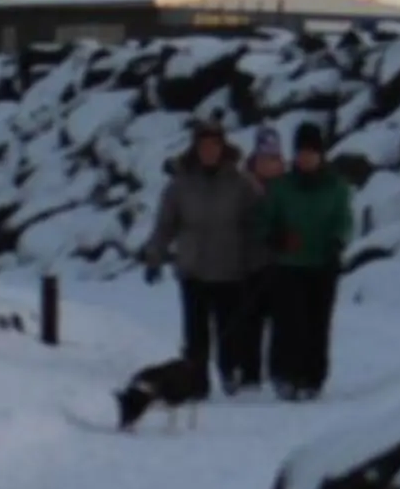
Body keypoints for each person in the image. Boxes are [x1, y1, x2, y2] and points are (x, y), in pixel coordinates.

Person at [141, 115, 259, 397]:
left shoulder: (241, 184)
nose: (209, 151)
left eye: (214, 145)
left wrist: (259, 263)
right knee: (195, 334)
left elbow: (256, 224)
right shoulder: (180, 185)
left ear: (222, 147)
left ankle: (230, 371)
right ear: (195, 148)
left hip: (230, 267)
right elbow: (165, 224)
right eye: (204, 145)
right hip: (192, 267)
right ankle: (197, 382)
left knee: (228, 330)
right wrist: (154, 256)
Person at [256, 120, 354, 400]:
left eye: (311, 152)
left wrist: (337, 241)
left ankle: (313, 377)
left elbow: (344, 220)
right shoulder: (281, 186)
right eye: (301, 152)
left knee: (318, 324)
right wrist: (275, 238)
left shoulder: (337, 187)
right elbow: (264, 220)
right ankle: (284, 375)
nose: (306, 158)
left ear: (321, 155)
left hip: (323, 265)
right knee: (288, 322)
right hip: (288, 265)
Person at [234, 123, 287, 388]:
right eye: (266, 158)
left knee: (283, 323)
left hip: (282, 263)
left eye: (275, 158)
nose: (271, 163)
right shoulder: (242, 185)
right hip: (248, 262)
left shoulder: (289, 185)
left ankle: (279, 373)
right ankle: (249, 374)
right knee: (249, 321)